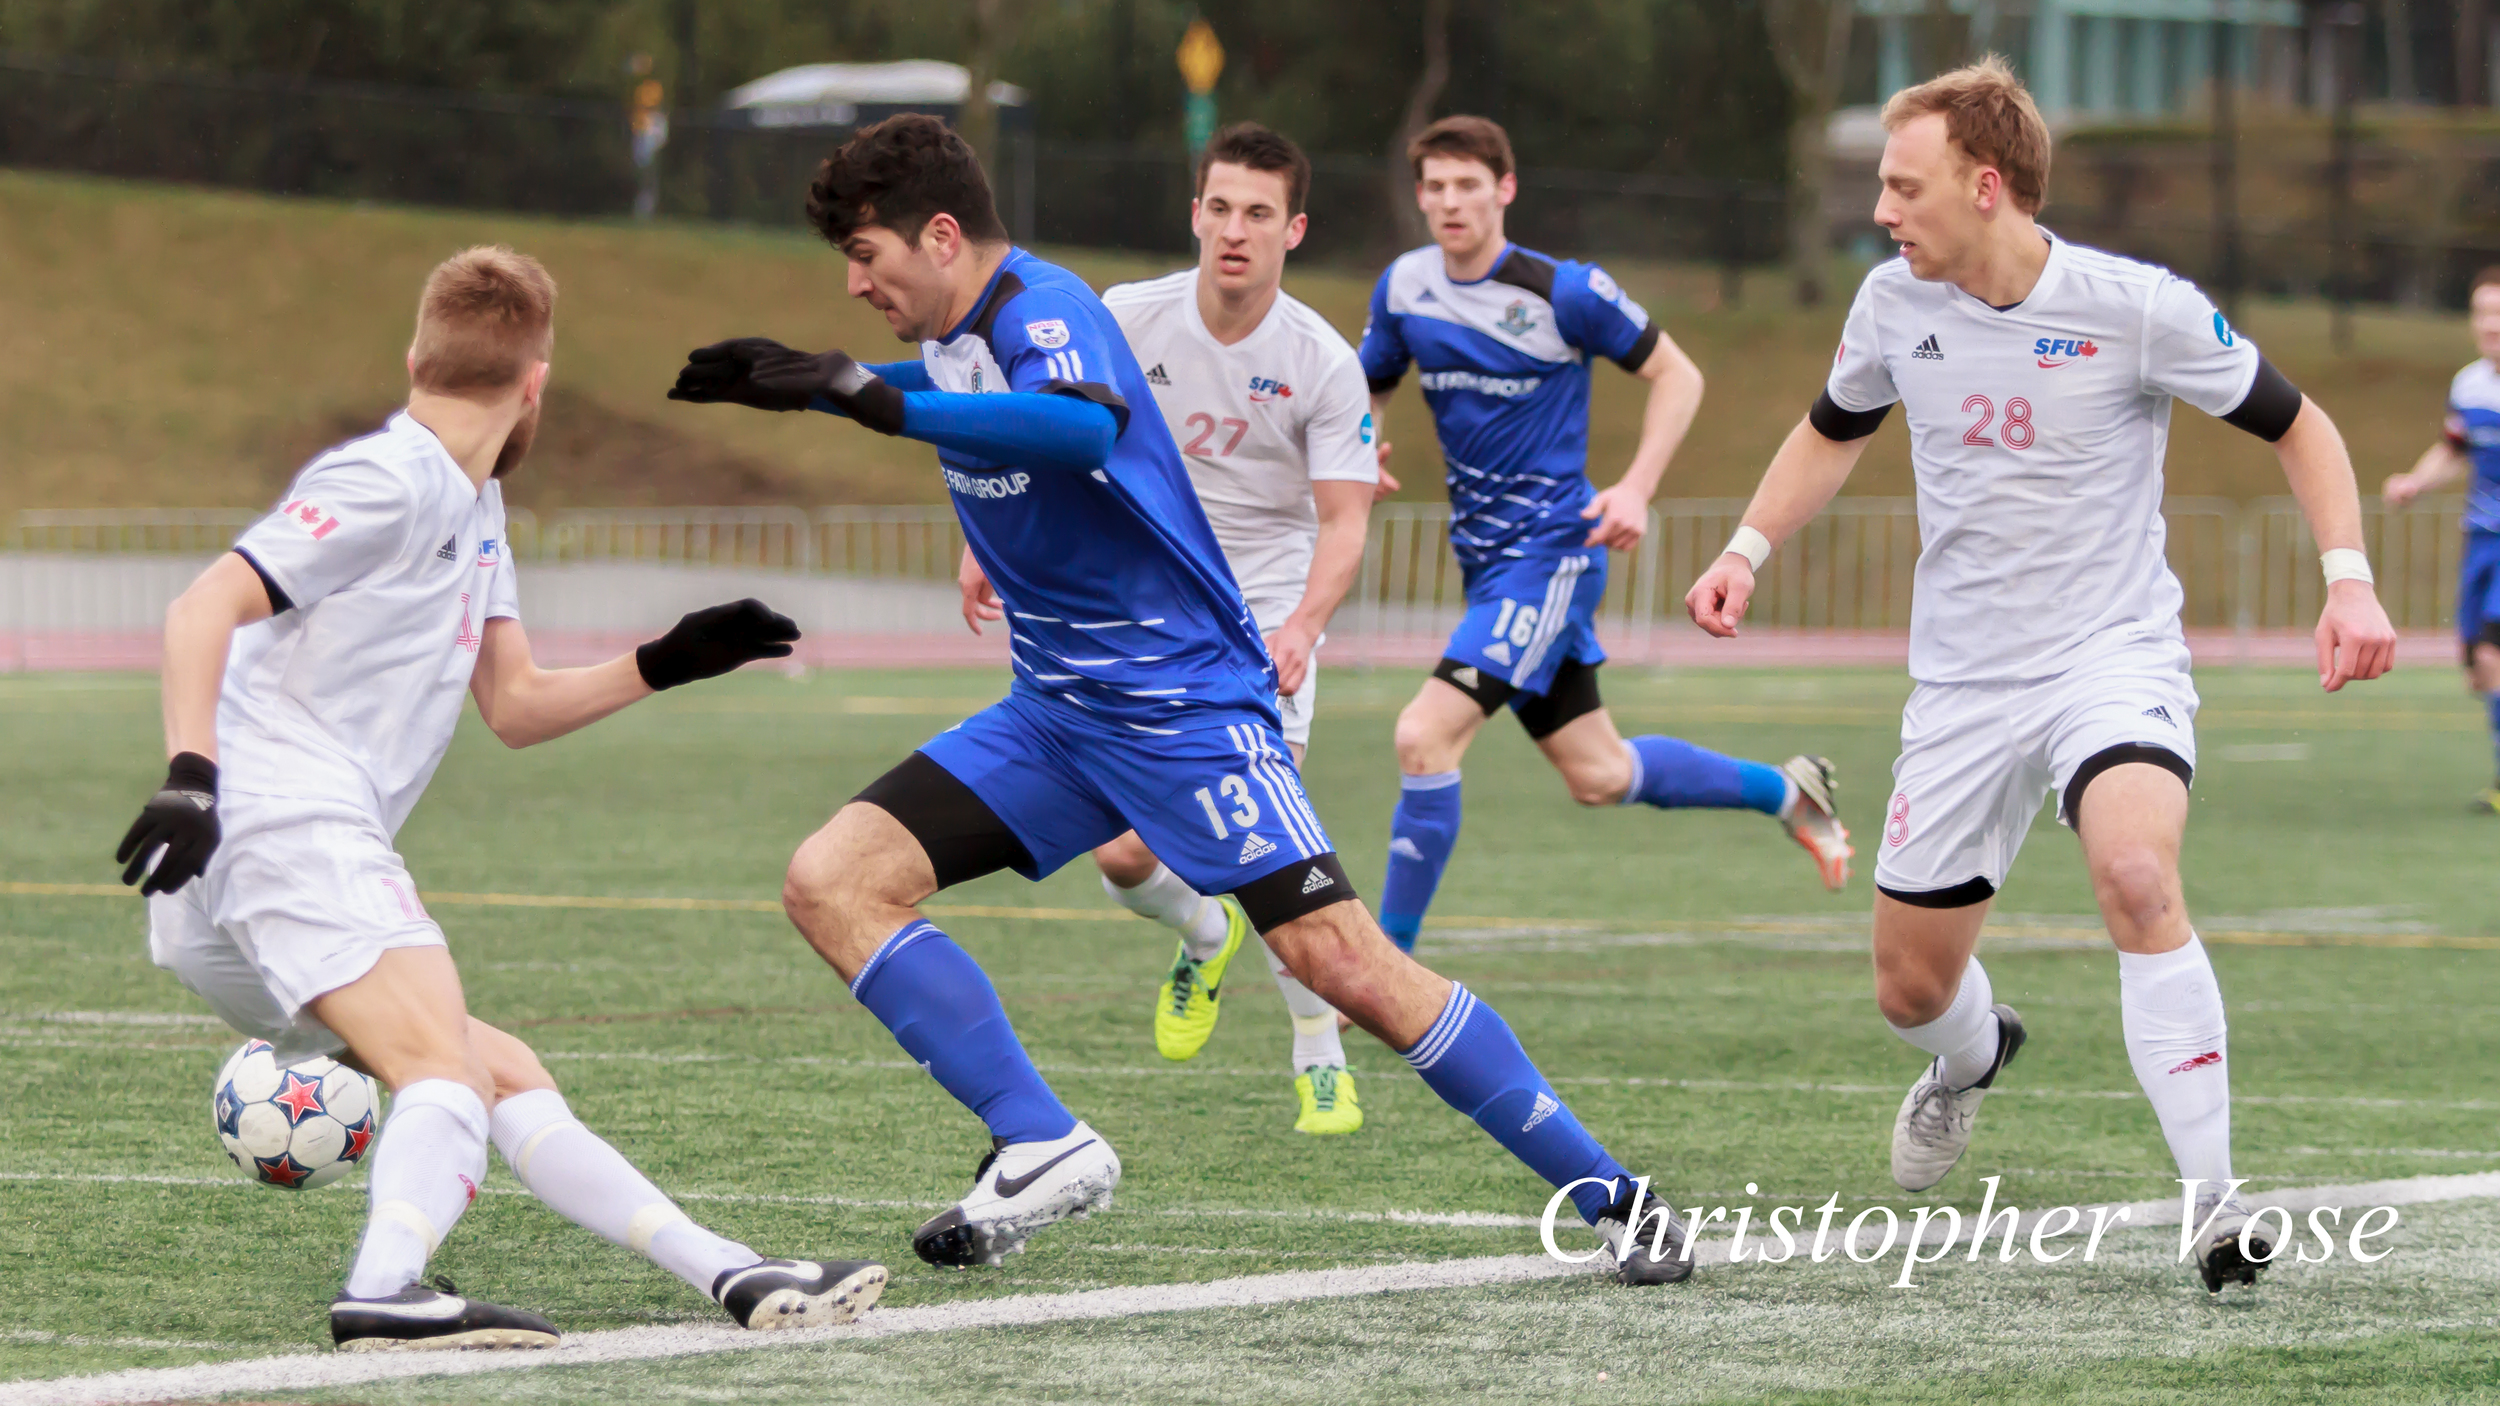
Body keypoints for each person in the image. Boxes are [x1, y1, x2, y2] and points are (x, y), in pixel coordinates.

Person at [667, 114, 1694, 1284]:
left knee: (1339, 960)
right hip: (1054, 713)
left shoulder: (1039, 304)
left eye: (867, 255)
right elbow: (949, 389)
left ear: (940, 235)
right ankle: (1042, 1138)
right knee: (832, 879)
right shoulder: (962, 334)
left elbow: (1075, 417)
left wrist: (866, 397)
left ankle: (1616, 1192)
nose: (856, 283)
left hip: (1183, 710)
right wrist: (805, 387)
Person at [1684, 59, 2398, 1295]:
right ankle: (1970, 1058)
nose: (1882, 210)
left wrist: (2348, 577)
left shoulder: (2135, 306)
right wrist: (1745, 548)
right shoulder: (1887, 305)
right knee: (1911, 989)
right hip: (1962, 687)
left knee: (2133, 869)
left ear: (1986, 184)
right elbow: (1827, 430)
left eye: (1902, 187)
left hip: (2108, 659)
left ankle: (2212, 1202)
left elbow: (2302, 425)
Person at [116, 246, 884, 1350]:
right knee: (443, 1069)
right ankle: (385, 1284)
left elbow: (515, 703)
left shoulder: (475, 502)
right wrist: (191, 775)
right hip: (283, 822)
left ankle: (729, 1268)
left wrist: (664, 660)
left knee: (496, 1065)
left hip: (237, 883)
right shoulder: (389, 476)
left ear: (417, 355)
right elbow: (202, 605)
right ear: (537, 381)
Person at [955, 123, 1378, 1134]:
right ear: (1195, 214)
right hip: (1137, 615)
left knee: (1268, 850)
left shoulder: (1322, 359)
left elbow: (1348, 515)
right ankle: (1199, 937)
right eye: (1220, 207)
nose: (1235, 229)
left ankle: (1317, 1050)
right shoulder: (1120, 315)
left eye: (1258, 213)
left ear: (1294, 230)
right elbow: (1044, 431)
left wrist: (1303, 627)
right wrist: (988, 537)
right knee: (1123, 858)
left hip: (1257, 628)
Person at [1358, 115, 1852, 953]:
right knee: (1600, 773)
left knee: (1423, 732)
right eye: (1434, 187)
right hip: (1486, 565)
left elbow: (1678, 374)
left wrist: (1636, 487)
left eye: (1467, 185)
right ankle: (1787, 793)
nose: (1450, 202)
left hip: (1554, 554)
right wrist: (1362, 449)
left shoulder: (1566, 292)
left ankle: (1383, 967)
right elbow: (1370, 383)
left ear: (1504, 190)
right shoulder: (1404, 288)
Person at [2382, 266, 2500, 809]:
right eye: (2482, 313)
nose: (2491, 325)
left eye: (2499, 314)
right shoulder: (2469, 384)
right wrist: (2415, 481)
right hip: (2480, 539)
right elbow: (2455, 449)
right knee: (2476, 664)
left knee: (2495, 653)